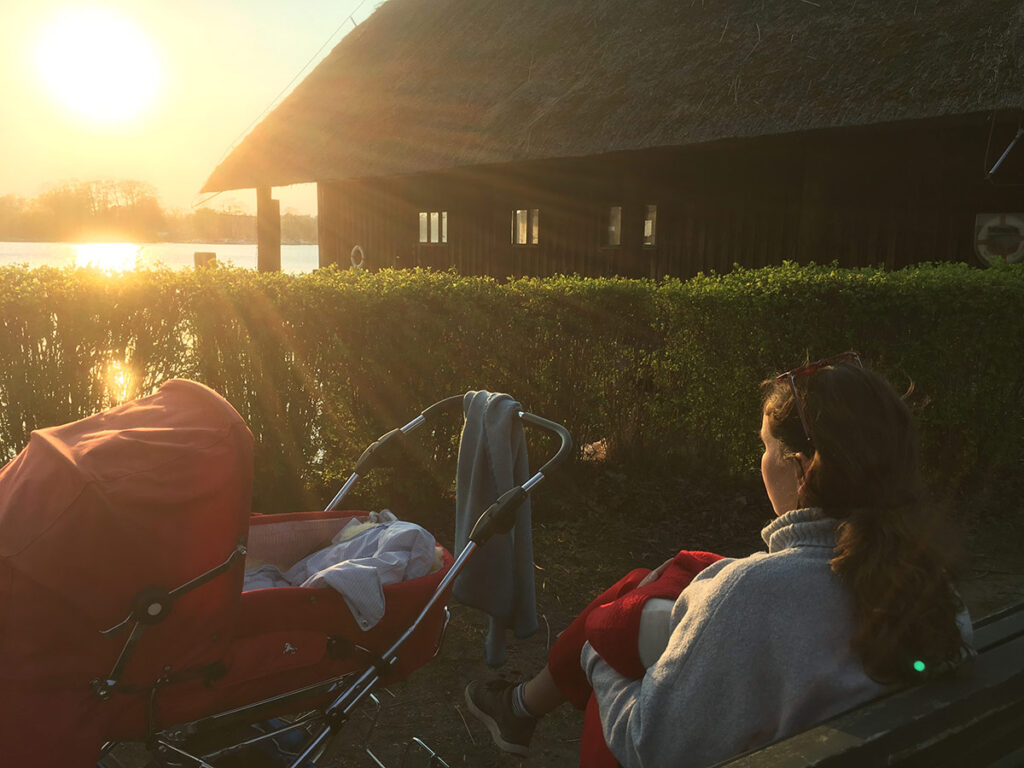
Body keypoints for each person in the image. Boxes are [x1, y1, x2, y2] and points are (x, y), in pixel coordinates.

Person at [464, 352, 973, 767]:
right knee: (656, 580)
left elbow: (654, 747)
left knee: (616, 629)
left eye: (766, 448)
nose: (762, 463)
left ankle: (521, 705)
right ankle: (519, 707)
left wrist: (597, 653)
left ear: (801, 470)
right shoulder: (934, 589)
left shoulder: (755, 594)